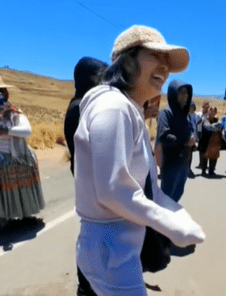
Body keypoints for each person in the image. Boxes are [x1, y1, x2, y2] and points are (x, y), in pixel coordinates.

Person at [73, 25, 205, 295]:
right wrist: (170, 226)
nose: (165, 68)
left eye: (167, 62)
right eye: (156, 56)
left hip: (117, 245)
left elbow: (149, 189)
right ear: (127, 58)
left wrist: (179, 216)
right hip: (110, 247)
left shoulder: (127, 109)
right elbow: (114, 190)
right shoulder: (113, 108)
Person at [63, 57, 108, 296]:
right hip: (90, 184)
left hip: (92, 181)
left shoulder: (84, 105)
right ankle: (86, 285)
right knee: (91, 237)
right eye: (101, 78)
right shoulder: (79, 108)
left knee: (96, 236)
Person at [0, 75, 45, 227]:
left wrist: (6, 129)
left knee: (21, 189)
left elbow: (26, 130)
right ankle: (4, 219)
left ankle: (26, 215)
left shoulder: (13, 112)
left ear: (3, 92)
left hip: (17, 157)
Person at [156, 80, 195, 202]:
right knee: (166, 196)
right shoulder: (166, 112)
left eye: (187, 93)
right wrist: (185, 141)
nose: (185, 96)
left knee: (177, 194)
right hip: (170, 163)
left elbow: (190, 130)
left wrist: (193, 137)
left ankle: (169, 219)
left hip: (183, 163)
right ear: (174, 94)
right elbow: (164, 135)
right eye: (181, 92)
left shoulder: (185, 114)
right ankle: (160, 220)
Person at [198, 106, 221, 176]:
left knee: (214, 157)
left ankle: (211, 171)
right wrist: (213, 129)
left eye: (214, 111)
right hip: (204, 141)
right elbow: (205, 128)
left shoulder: (217, 121)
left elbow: (220, 129)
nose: (212, 113)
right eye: (211, 111)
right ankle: (203, 171)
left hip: (214, 142)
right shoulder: (204, 120)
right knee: (204, 157)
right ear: (208, 112)